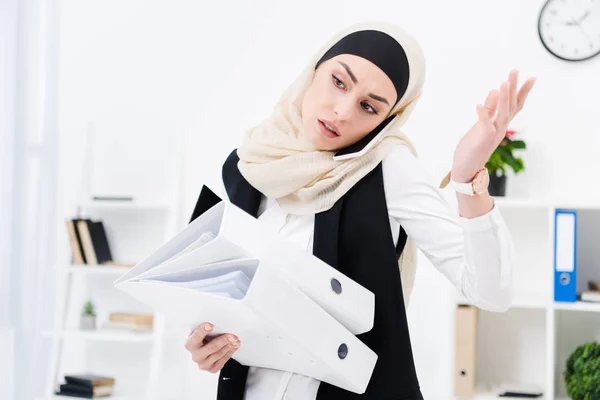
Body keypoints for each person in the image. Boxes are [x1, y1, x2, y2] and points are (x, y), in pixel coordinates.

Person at [184, 21, 536, 400]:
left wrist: (466, 180)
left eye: (369, 106)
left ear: (387, 119)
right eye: (339, 81)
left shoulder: (387, 167)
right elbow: (229, 297)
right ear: (315, 69)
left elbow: (490, 292)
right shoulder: (249, 163)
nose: (341, 111)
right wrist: (208, 342)